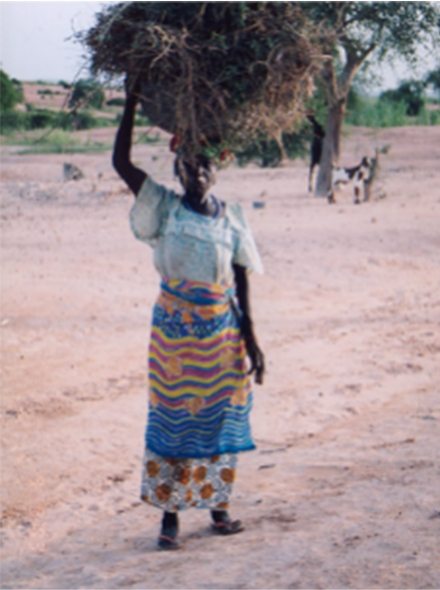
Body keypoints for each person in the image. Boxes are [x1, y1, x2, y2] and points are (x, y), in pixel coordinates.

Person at [113, 76, 266, 550]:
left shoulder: (234, 218)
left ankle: (218, 509)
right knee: (173, 419)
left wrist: (253, 341)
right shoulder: (163, 209)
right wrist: (134, 98)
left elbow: (239, 281)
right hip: (174, 340)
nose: (195, 172)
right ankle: (170, 519)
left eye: (204, 165)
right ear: (177, 169)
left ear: (217, 169)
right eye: (187, 164)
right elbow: (120, 161)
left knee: (220, 419)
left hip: (223, 338)